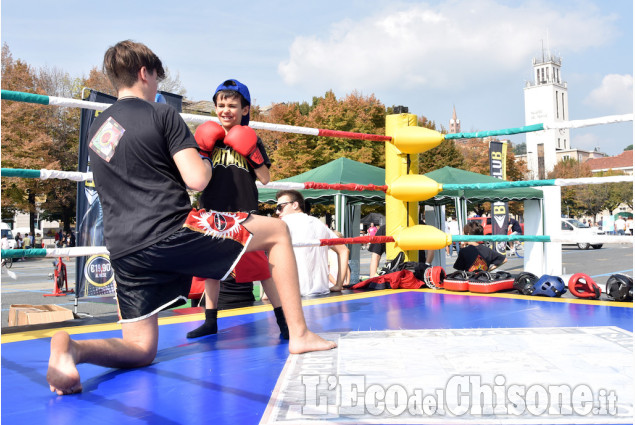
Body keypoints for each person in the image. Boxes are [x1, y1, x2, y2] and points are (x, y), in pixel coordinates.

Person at [46, 40, 335, 396]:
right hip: (172, 229)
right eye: (156, 79)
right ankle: (300, 334)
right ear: (144, 73)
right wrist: (203, 155)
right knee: (276, 230)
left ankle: (72, 348)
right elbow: (197, 179)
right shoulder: (162, 114)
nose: (157, 87)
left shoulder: (99, 130)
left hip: (124, 249)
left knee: (140, 350)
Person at [187, 79, 288, 339]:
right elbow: (194, 179)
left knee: (263, 271)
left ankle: (284, 322)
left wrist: (251, 151)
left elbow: (265, 178)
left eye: (232, 105)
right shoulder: (207, 139)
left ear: (245, 109)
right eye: (221, 105)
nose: (226, 110)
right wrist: (202, 151)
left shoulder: (251, 139)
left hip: (244, 215)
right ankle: (210, 321)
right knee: (211, 270)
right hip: (212, 212)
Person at [275, 189, 349, 294]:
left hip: (293, 295)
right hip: (321, 292)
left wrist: (267, 294)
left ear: (295, 205)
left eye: (280, 207)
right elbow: (344, 250)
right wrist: (338, 284)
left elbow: (274, 261)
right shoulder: (318, 223)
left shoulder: (282, 224)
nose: (277, 211)